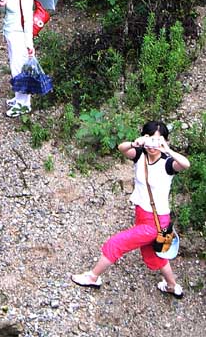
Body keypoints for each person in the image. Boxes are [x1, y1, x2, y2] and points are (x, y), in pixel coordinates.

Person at [71, 120, 190, 298]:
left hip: (156, 221)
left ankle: (93, 276)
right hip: (141, 215)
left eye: (158, 140)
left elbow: (186, 164)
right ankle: (172, 286)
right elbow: (122, 148)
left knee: (116, 243)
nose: (152, 145)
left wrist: (167, 149)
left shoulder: (168, 163)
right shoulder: (140, 155)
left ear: (165, 141)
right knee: (154, 253)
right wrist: (136, 142)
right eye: (150, 138)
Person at [0, 0, 35, 117]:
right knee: (14, 67)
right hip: (10, 34)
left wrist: (29, 44)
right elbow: (8, 14)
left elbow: (28, 21)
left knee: (20, 69)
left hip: (20, 37)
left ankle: (24, 105)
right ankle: (18, 98)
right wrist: (2, 5)